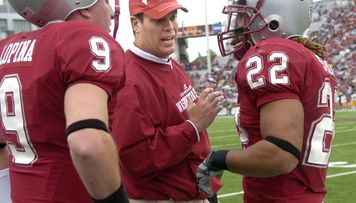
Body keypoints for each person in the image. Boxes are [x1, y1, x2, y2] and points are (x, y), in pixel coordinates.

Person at [197, 0, 337, 202]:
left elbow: (280, 153)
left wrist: (217, 160)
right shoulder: (309, 58)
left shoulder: (270, 54)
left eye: (244, 15)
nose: (236, 24)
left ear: (274, 19)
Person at [0, 0, 129, 202]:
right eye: (105, 1)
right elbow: (87, 144)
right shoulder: (83, 41)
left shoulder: (6, 49)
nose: (111, 11)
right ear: (84, 4)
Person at [111, 0, 224, 202]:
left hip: (195, 189)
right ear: (136, 24)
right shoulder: (129, 81)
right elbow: (137, 159)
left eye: (172, 17)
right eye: (159, 20)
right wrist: (193, 126)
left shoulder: (167, 62)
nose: (170, 27)